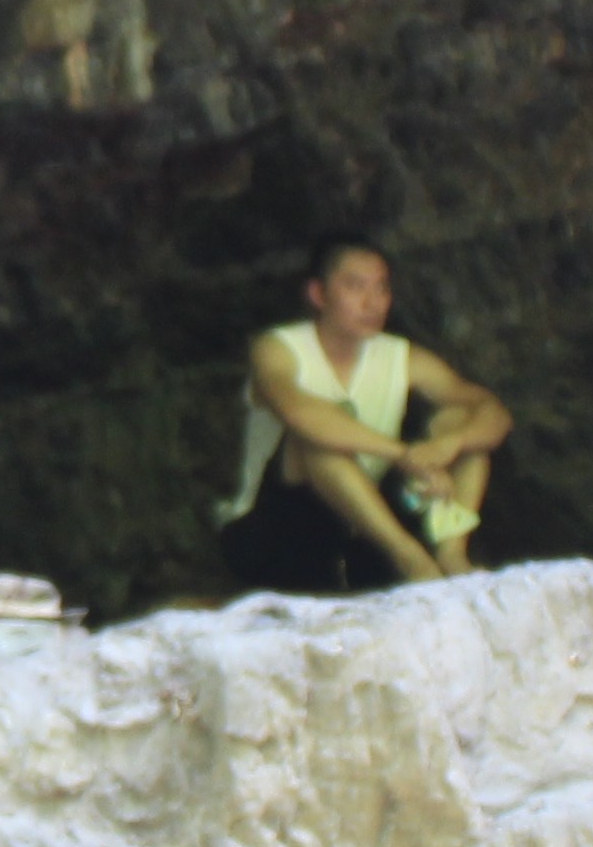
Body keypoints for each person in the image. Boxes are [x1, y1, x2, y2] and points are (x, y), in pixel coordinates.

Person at [219, 234, 516, 593]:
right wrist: (403, 455)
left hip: (365, 523)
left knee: (463, 423)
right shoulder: (277, 349)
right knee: (316, 442)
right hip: (280, 527)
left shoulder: (401, 356)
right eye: (356, 287)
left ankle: (452, 554)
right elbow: (299, 412)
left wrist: (449, 445)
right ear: (318, 294)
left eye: (381, 289)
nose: (372, 302)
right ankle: (415, 562)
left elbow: (492, 412)